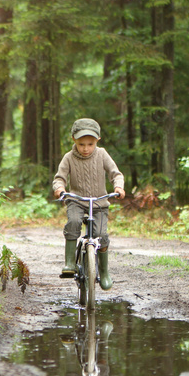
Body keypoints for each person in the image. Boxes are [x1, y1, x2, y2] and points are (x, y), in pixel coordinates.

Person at [52, 118, 125, 289]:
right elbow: (59, 178)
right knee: (74, 222)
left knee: (101, 233)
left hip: (99, 201)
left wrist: (118, 186)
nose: (86, 148)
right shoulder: (68, 158)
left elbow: (116, 173)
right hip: (76, 200)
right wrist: (60, 188)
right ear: (74, 140)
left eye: (90, 144)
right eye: (82, 144)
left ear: (97, 141)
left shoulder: (102, 154)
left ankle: (104, 272)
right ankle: (70, 263)